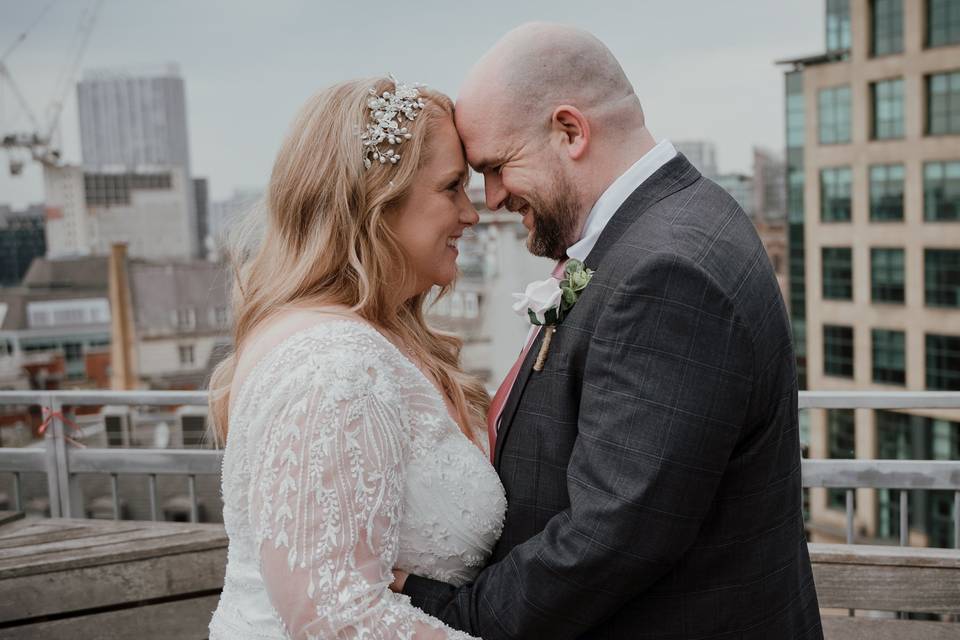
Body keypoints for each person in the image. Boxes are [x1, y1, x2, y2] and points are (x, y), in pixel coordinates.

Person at [397, 23, 824, 639]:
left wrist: (448, 617)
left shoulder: (666, 271)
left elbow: (610, 538)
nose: (489, 199)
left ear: (570, 131)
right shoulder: (677, 219)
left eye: (497, 166)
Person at [207, 76, 506, 639]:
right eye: (451, 188)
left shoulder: (378, 339)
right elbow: (334, 614)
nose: (472, 214)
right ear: (377, 201)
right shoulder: (334, 363)